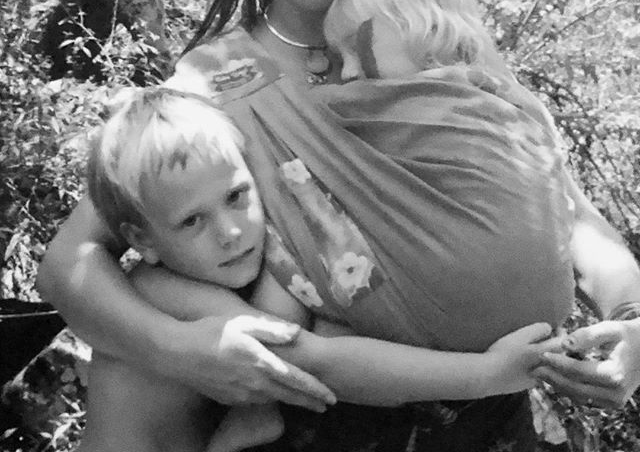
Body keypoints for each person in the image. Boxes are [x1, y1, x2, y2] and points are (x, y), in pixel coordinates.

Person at [36, 0, 640, 449]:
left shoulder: (436, 52)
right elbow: (69, 264)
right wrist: (179, 347)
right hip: (323, 425)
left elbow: (570, 218)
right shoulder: (213, 85)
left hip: (489, 426)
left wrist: (634, 325)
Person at [78, 86, 555, 452]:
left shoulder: (230, 267)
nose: (230, 232)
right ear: (142, 241)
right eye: (192, 220)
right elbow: (318, 363)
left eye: (236, 196)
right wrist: (489, 374)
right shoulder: (157, 287)